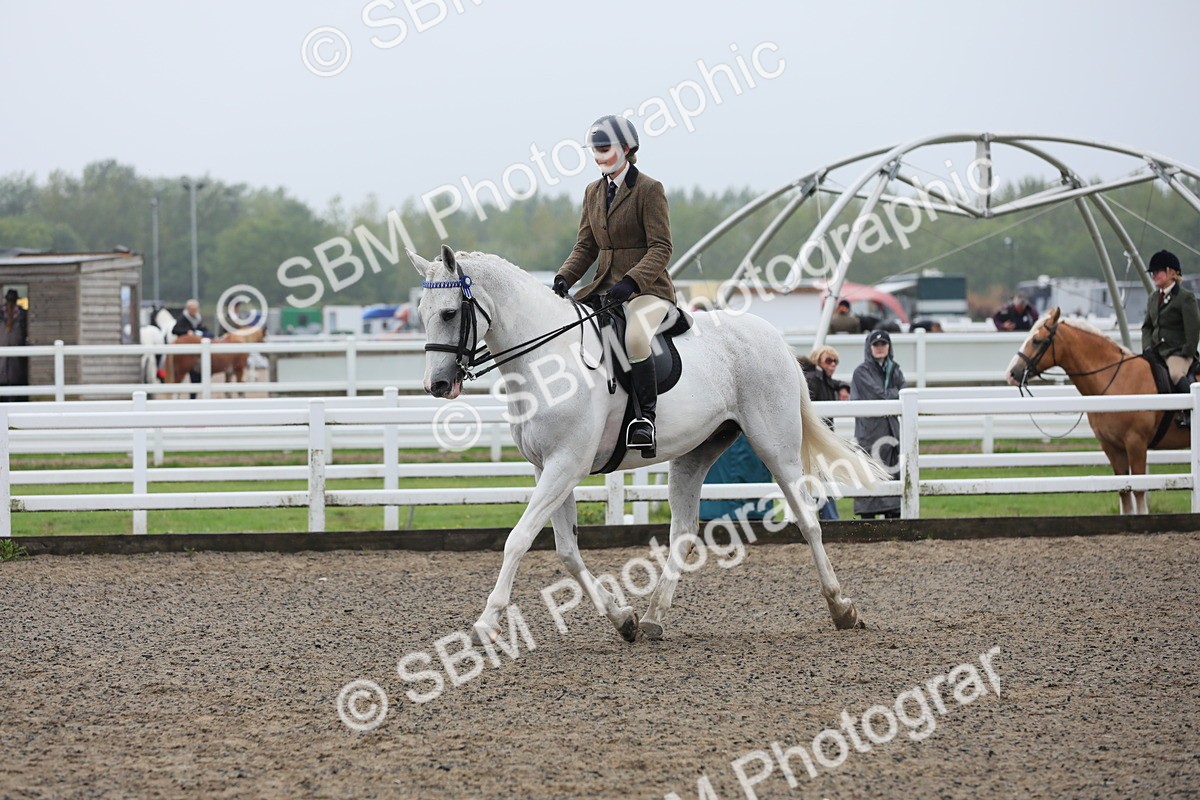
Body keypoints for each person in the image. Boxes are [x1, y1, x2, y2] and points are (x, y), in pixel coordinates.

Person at [555, 114, 674, 457]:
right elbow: (586, 246)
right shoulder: (593, 192)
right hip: (603, 289)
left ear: (626, 149)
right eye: (595, 149)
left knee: (634, 339)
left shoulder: (649, 190)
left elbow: (661, 247)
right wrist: (564, 277)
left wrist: (632, 281)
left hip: (648, 290)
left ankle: (645, 420)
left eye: (605, 148)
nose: (599, 156)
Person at [850, 329, 906, 519]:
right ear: (870, 347)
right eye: (876, 345)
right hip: (870, 434)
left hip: (891, 434)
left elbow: (903, 392)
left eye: (883, 344)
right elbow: (879, 395)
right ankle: (868, 525)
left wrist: (894, 394)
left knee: (893, 479)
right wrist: (894, 393)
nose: (880, 348)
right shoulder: (861, 372)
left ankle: (893, 521)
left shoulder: (894, 369)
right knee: (870, 475)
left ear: (889, 346)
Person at [1141, 249, 1199, 428]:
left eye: (1157, 271)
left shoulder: (1185, 298)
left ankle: (1192, 412)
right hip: (1156, 350)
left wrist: (1187, 352)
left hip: (1178, 352)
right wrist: (1146, 348)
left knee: (1175, 374)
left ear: (1171, 272)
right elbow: (1147, 327)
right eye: (1152, 272)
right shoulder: (1153, 298)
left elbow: (1193, 329)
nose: (1153, 275)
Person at [799, 345, 850, 520]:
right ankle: (830, 519)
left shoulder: (822, 379)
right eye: (828, 360)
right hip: (814, 441)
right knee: (821, 480)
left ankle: (821, 519)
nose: (833, 364)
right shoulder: (814, 380)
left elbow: (835, 383)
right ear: (818, 361)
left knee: (818, 481)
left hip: (816, 441)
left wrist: (843, 386)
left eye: (835, 361)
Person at [171, 299, 212, 398]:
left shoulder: (198, 318)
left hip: (197, 352)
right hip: (185, 351)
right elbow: (175, 330)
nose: (194, 311)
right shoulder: (183, 318)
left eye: (195, 309)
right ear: (188, 309)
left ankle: (193, 397)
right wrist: (187, 331)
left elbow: (201, 328)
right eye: (192, 309)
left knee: (196, 374)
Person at [0, 289, 30, 401]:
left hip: (13, 346)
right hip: (8, 346)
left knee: (13, 372)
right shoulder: (20, 313)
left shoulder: (20, 314)